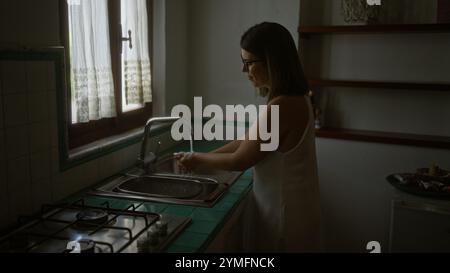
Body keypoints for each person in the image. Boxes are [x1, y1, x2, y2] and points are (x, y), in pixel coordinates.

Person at [175, 22, 321, 252]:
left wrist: (198, 160)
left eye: (249, 62)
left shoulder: (282, 106)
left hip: (284, 215)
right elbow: (248, 139)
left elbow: (240, 160)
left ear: (272, 61)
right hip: (294, 209)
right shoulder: (296, 98)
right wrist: (202, 156)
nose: (244, 70)